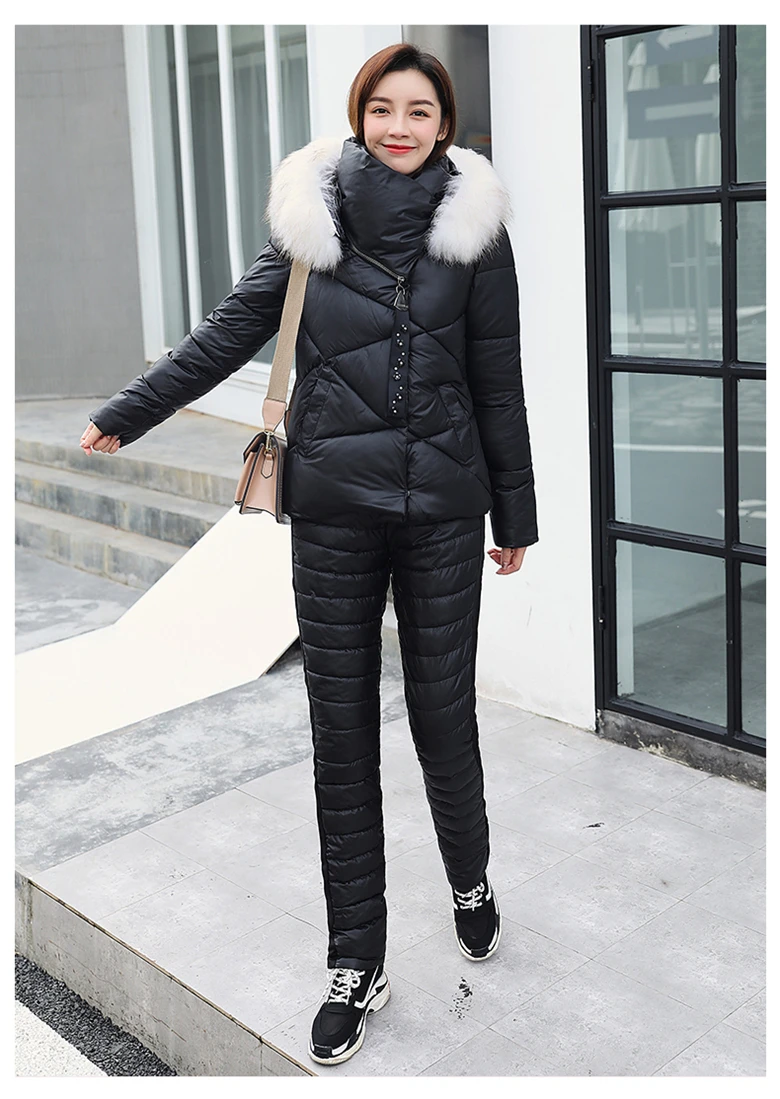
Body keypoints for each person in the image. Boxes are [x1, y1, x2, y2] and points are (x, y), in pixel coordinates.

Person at [81, 42, 539, 1067]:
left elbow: (500, 383)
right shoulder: (311, 222)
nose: (400, 126)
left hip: (443, 512)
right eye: (384, 107)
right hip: (332, 509)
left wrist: (515, 513)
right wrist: (128, 412)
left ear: (445, 124)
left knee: (442, 715)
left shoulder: (477, 235)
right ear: (358, 114)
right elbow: (225, 334)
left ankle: (469, 876)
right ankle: (356, 959)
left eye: (420, 110)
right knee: (341, 737)